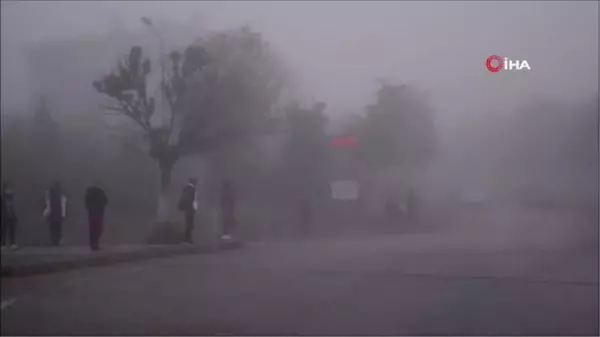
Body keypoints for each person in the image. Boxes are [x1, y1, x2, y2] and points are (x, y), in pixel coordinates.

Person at [85, 184, 108, 251]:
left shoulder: (90, 193)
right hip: (98, 213)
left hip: (92, 213)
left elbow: (86, 204)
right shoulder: (101, 192)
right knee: (98, 229)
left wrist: (90, 209)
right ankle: (95, 244)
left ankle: (93, 244)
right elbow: (106, 201)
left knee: (93, 229)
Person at [44, 181, 67, 246]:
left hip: (53, 215)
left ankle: (54, 241)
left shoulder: (51, 195)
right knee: (58, 228)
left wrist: (46, 214)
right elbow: (63, 205)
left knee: (53, 228)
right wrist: (63, 215)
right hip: (58, 215)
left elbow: (48, 206)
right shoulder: (60, 195)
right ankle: (57, 241)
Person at [178, 178, 198, 244]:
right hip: (190, 208)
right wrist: (195, 209)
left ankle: (187, 239)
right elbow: (194, 200)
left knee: (188, 223)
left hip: (186, 208)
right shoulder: (192, 189)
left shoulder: (185, 188)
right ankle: (188, 239)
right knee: (190, 224)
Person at [1, 182, 19, 250]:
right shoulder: (2, 197)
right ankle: (3, 244)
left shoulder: (11, 197)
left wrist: (14, 215)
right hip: (4, 215)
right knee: (3, 230)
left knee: (11, 230)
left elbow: (12, 207)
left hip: (10, 215)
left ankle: (12, 243)